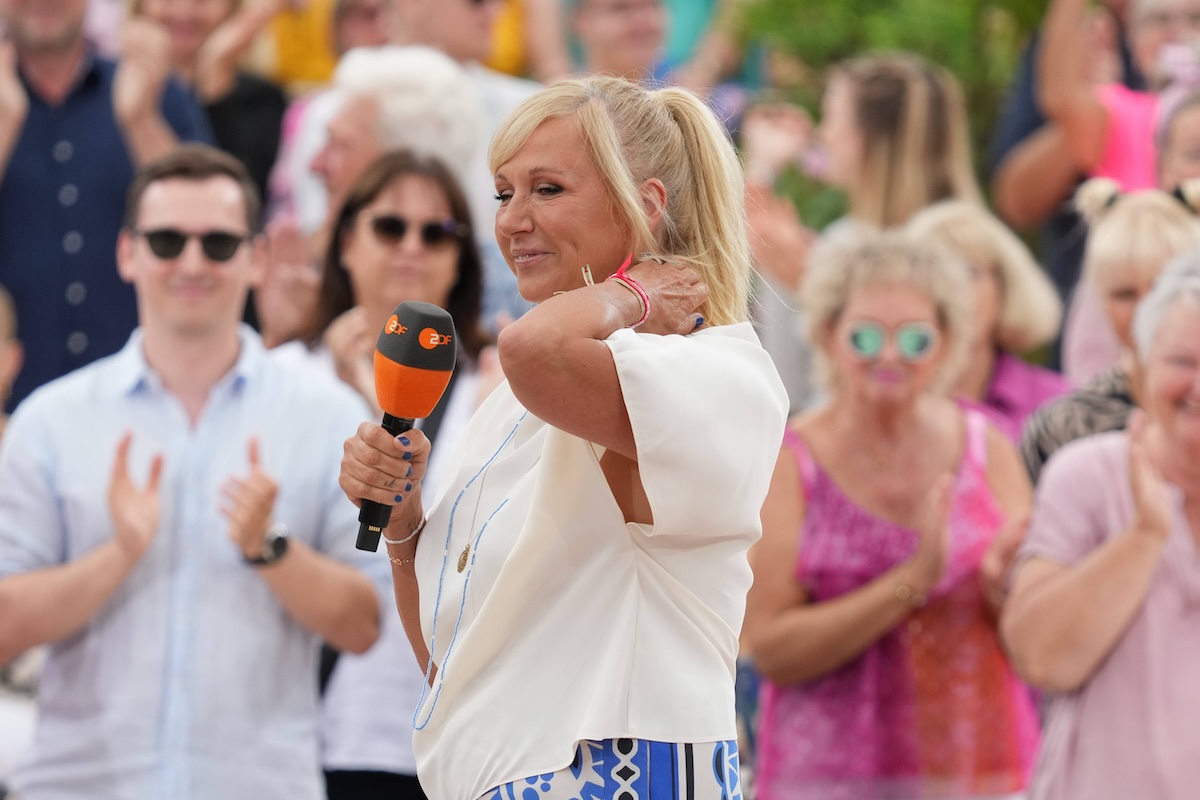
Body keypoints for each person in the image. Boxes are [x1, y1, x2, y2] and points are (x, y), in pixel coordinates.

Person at [338, 75, 789, 798]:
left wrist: (633, 291)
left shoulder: (712, 367)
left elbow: (529, 351)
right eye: (502, 192)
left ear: (645, 208)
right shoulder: (510, 406)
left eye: (546, 189)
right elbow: (451, 667)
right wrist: (403, 528)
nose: (513, 219)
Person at [0, 145, 381, 800]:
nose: (193, 263)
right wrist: (117, 555)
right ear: (127, 253)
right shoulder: (52, 419)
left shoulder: (327, 415)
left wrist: (273, 549)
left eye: (220, 243)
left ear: (258, 257)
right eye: (168, 240)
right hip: (77, 785)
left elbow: (364, 623)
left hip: (258, 785)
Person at [745, 231, 1039, 799]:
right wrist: (910, 583)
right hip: (831, 777)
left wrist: (1008, 588)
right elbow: (773, 649)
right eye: (865, 335)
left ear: (948, 341)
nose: (888, 355)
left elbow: (1032, 620)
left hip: (977, 768)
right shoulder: (793, 462)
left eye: (914, 339)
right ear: (829, 335)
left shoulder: (986, 446)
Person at [277, 150, 490, 799]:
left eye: (437, 232)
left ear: (461, 257)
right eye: (390, 226)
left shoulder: (498, 385)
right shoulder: (286, 376)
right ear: (346, 242)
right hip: (300, 728)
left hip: (448, 734)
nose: (413, 247)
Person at [1002, 253, 1200, 800]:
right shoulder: (1088, 474)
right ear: (1138, 372)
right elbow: (1041, 656)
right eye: (1183, 359)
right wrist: (1143, 537)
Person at [0, 0, 210, 411]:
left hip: (151, 398)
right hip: (12, 405)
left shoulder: (155, 91)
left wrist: (140, 120)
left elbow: (212, 224)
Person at [257, 45, 480, 350]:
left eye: (342, 146)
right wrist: (284, 340)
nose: (316, 164)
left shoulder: (498, 314)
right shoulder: (297, 269)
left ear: (402, 161)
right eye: (389, 229)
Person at [1021, 179, 1200, 483]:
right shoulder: (1062, 428)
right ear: (1099, 301)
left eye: (1162, 289)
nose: (1146, 310)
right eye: (1124, 294)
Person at [907, 200, 1071, 442]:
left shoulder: (1060, 403)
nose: (954, 291)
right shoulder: (888, 402)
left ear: (1004, 286)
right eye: (937, 274)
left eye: (968, 272)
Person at [130, 0, 289, 204]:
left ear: (232, 8)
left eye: (201, 1)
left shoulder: (263, 99)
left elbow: (240, 204)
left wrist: (215, 79)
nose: (183, 11)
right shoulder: (99, 85)